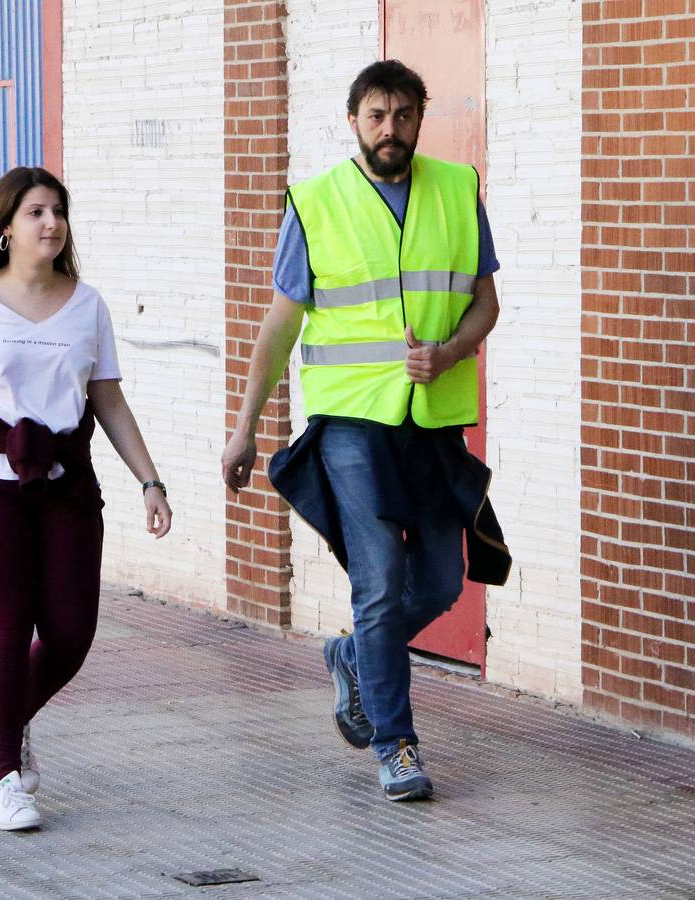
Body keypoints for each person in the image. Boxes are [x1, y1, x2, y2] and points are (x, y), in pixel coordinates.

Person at [221, 60, 511, 802]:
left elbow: (486, 302)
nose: (391, 128)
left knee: (444, 580)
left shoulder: (456, 190)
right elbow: (280, 325)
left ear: (421, 117)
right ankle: (397, 743)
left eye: (404, 114)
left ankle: (353, 656)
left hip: (432, 422)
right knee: (379, 581)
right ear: (353, 120)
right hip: (351, 422)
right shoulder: (315, 203)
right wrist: (245, 426)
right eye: (377, 115)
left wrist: (449, 352)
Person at [0, 166, 172, 830]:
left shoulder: (89, 305)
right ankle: (5, 779)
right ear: (6, 226)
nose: (51, 223)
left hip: (65, 482)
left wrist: (151, 480)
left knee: (72, 635)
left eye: (58, 212)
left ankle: (9, 718)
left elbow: (108, 400)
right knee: (8, 625)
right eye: (36, 212)